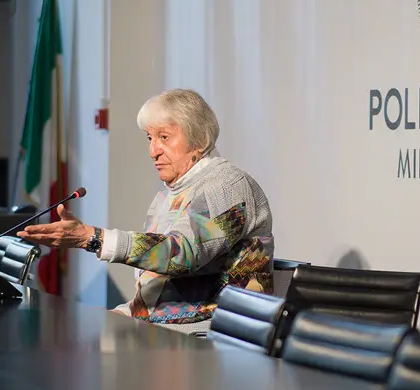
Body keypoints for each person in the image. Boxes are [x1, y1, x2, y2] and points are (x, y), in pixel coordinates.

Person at [17, 89, 275, 334]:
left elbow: (181, 253)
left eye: (164, 137)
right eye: (150, 138)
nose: (153, 151)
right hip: (164, 329)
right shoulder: (166, 196)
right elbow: (156, 287)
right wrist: (122, 313)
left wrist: (94, 238)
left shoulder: (228, 188)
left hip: (208, 337)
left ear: (199, 140)